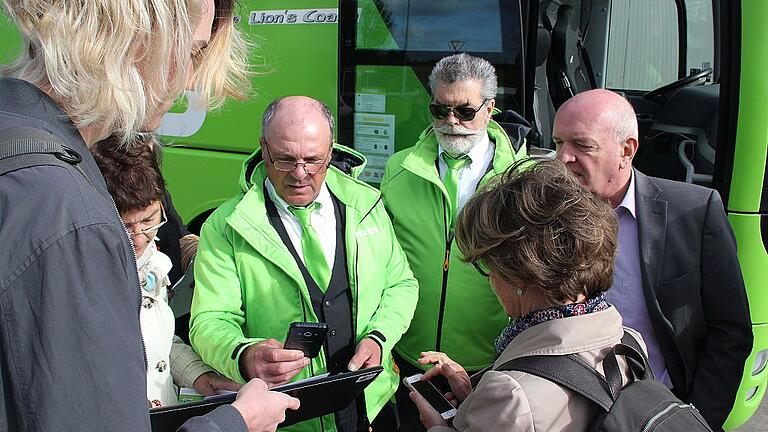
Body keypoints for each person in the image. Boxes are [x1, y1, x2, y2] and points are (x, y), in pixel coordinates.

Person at [0, 0, 299, 430]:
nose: (192, 80)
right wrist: (238, 422)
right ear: (136, 36)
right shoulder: (72, 218)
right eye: (193, 53)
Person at [189, 96, 419, 432]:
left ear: (330, 151)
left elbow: (400, 284)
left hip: (372, 404)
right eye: (284, 160)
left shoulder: (366, 204)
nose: (300, 174)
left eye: (313, 160)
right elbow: (209, 320)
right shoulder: (226, 226)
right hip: (287, 417)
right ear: (263, 149)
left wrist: (379, 338)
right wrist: (245, 356)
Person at [553, 89, 752, 431]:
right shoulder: (547, 213)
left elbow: (729, 332)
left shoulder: (692, 212)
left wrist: (696, 420)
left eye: (581, 145)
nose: (562, 159)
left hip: (661, 411)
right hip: (568, 413)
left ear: (626, 151)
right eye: (557, 143)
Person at [410, 159, 643, 431]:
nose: (490, 281)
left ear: (519, 275)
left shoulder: (511, 396)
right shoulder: (629, 342)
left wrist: (439, 427)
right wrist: (478, 401)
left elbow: (523, 407)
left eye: (488, 267)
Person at [379, 53, 528, 430]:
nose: (451, 122)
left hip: (488, 364)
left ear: (490, 108)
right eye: (440, 109)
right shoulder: (398, 169)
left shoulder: (523, 181)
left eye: (464, 111)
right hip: (411, 358)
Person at [91, 137, 241, 406]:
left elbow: (155, 333)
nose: (139, 239)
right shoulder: (83, 266)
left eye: (148, 221)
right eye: (124, 226)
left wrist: (195, 373)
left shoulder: (153, 250)